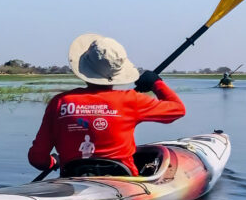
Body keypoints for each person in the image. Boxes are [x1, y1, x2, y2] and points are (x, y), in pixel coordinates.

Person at [28, 34, 185, 177]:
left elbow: (37, 159)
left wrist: (53, 161)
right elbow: (177, 109)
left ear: (85, 69)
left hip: (73, 177)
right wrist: (156, 83)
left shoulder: (60, 102)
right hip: (124, 182)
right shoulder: (131, 100)